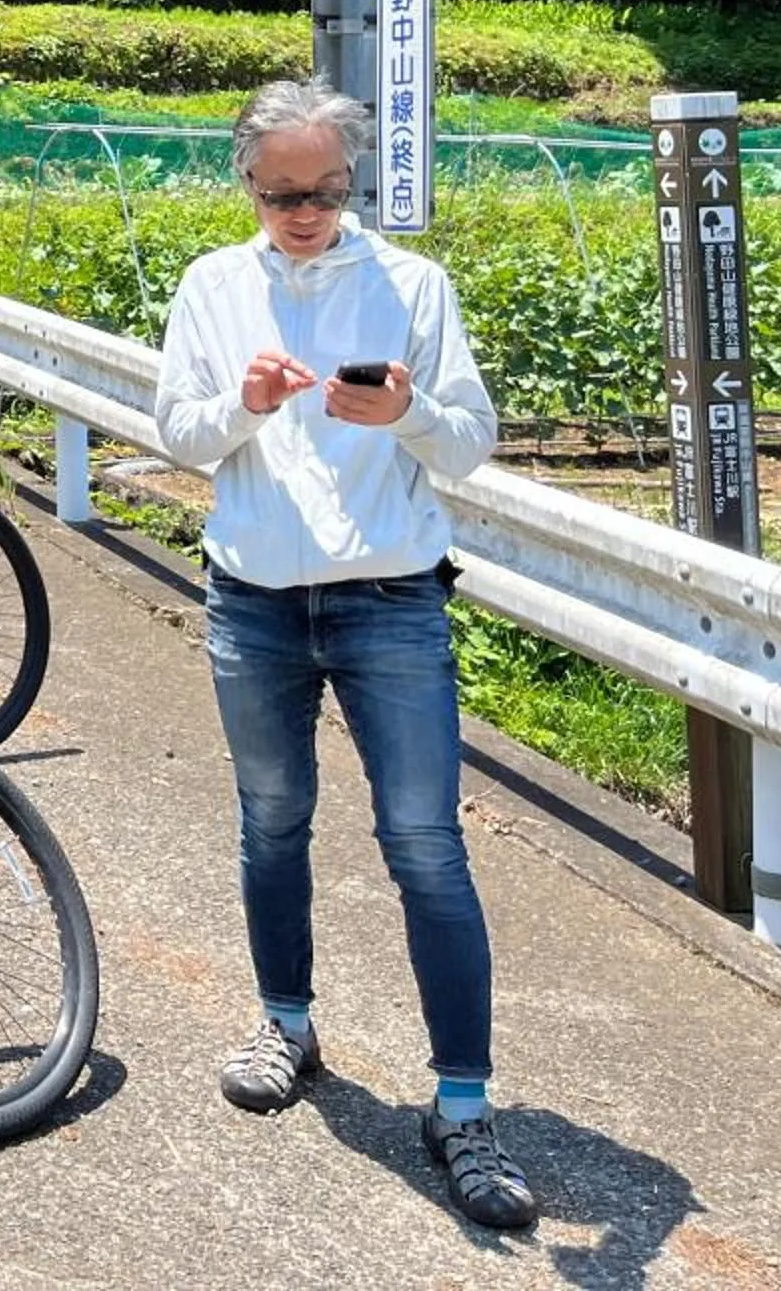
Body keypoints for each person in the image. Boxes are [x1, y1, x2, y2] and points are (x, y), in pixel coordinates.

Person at [153, 78, 535, 1232]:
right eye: (281, 195)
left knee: (425, 846)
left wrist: (411, 415)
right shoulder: (214, 287)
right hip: (254, 598)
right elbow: (177, 431)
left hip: (390, 599)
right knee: (271, 821)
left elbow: (470, 446)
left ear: (353, 183)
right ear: (246, 183)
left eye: (325, 192)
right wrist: (244, 406)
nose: (305, 213)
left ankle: (461, 1105)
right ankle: (287, 1024)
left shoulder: (411, 284)